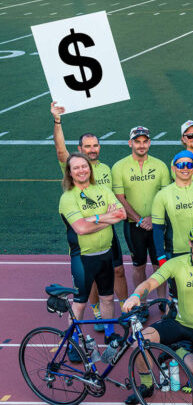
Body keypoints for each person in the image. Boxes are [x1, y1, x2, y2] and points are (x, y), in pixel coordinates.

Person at [120, 224, 193, 402]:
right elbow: (151, 283)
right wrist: (136, 295)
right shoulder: (176, 263)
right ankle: (147, 385)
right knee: (140, 342)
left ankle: (178, 350)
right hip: (178, 322)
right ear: (190, 243)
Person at [51, 101, 128, 326]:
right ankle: (89, 319)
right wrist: (57, 120)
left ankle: (116, 318)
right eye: (88, 146)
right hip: (85, 247)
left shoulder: (105, 171)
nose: (92, 149)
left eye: (95, 145)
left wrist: (97, 218)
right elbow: (60, 149)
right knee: (86, 292)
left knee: (116, 273)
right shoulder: (72, 173)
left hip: (107, 238)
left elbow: (118, 211)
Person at [58, 153, 127, 361]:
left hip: (105, 254)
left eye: (84, 166)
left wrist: (96, 217)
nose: (81, 170)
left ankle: (109, 334)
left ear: (90, 168)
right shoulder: (67, 198)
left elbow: (122, 214)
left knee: (107, 298)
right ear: (70, 173)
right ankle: (73, 344)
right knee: (79, 303)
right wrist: (108, 218)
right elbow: (80, 228)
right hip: (83, 259)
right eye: (76, 167)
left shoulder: (102, 190)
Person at [111, 126, 171, 309]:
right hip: (133, 225)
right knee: (138, 266)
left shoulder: (160, 165)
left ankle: (162, 301)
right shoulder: (119, 167)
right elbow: (120, 198)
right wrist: (139, 220)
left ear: (149, 143)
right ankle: (142, 303)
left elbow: (165, 195)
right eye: (137, 141)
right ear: (131, 143)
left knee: (159, 264)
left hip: (157, 223)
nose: (141, 145)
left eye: (145, 141)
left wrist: (153, 218)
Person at [152, 150, 193, 266]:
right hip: (175, 253)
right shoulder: (162, 195)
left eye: (189, 165)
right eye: (181, 165)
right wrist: (161, 256)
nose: (185, 168)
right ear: (173, 168)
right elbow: (157, 229)